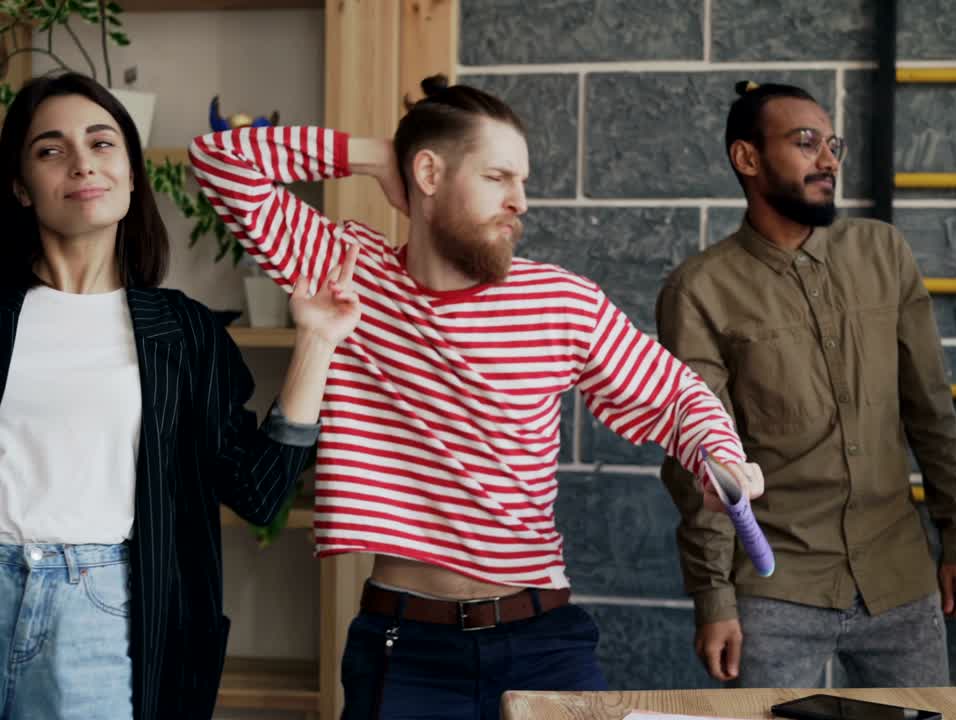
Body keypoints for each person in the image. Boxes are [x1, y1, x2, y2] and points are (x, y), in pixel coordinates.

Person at [189, 74, 763, 720]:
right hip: (404, 648)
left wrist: (720, 454)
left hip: (543, 638)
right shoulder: (348, 273)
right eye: (498, 178)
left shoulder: (560, 302)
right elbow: (221, 160)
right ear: (428, 174)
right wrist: (381, 155)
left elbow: (678, 395)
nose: (520, 201)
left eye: (523, 182)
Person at [0, 73, 359, 720]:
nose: (83, 162)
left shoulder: (183, 331)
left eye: (102, 143)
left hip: (102, 608)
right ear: (21, 186)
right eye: (50, 149)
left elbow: (257, 491)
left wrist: (315, 341)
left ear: (133, 175)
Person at [655, 81, 956, 689]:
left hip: (899, 577)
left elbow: (930, 410)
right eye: (806, 143)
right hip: (775, 588)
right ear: (747, 158)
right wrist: (714, 597)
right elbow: (699, 462)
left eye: (833, 145)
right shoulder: (699, 290)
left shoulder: (884, 253)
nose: (828, 160)